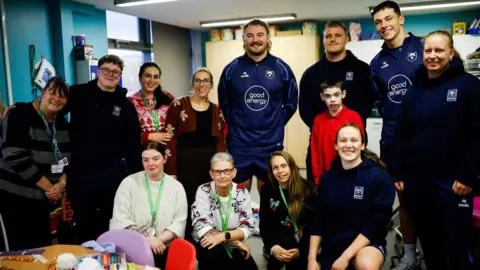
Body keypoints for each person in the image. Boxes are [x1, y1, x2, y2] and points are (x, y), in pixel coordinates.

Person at [392, 30, 480, 270]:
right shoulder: (414, 89)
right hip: (419, 182)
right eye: (428, 50)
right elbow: (402, 133)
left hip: (453, 183)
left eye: (439, 50)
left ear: (451, 53)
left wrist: (467, 176)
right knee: (430, 245)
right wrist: (398, 172)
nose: (432, 55)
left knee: (457, 245)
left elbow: (477, 134)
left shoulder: (469, 86)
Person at [66, 54, 143, 244]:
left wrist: (136, 178)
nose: (110, 74)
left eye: (115, 72)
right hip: (80, 172)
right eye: (106, 70)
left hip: (111, 174)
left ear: (120, 75)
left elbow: (133, 144)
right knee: (84, 221)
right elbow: (52, 108)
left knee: (110, 221)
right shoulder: (77, 93)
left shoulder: (125, 105)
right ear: (98, 71)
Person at [370, 2, 425, 268]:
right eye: (378, 22)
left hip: (428, 139)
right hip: (394, 142)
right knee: (404, 201)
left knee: (434, 198)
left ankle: (440, 253)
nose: (384, 25)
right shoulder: (377, 63)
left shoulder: (424, 47)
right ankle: (411, 257)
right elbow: (381, 102)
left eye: (388, 18)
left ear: (401, 19)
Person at [218, 18, 298, 193]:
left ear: (268, 37)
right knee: (239, 198)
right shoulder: (231, 69)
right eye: (250, 36)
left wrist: (275, 123)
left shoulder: (281, 68)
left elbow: (291, 103)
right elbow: (224, 104)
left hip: (270, 144)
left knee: (269, 195)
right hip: (239, 145)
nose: (255, 39)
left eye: (260, 35)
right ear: (244, 40)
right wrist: (238, 126)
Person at [308, 124, 395, 270]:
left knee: (365, 264)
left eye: (354, 140)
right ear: (336, 145)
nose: (348, 145)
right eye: (343, 141)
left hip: (366, 245)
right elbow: (318, 219)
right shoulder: (327, 179)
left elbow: (375, 224)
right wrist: (312, 258)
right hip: (333, 247)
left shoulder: (378, 178)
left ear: (363, 145)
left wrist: (345, 257)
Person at [300, 20, 375, 183]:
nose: (333, 39)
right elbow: (304, 107)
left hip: (352, 142)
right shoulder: (311, 74)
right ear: (323, 40)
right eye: (328, 36)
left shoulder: (361, 70)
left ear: (346, 38)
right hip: (321, 141)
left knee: (354, 188)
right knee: (318, 192)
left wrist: (347, 127)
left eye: (338, 35)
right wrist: (323, 125)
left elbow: (368, 102)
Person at [0, 77, 71, 250]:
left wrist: (61, 184)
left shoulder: (60, 121)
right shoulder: (19, 113)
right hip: (16, 198)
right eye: (52, 92)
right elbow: (14, 155)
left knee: (41, 248)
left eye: (62, 96)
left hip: (43, 200)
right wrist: (49, 187)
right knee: (19, 250)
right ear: (42, 93)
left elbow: (68, 158)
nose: (56, 98)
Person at [164, 67, 226, 239]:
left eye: (206, 80)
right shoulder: (178, 104)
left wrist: (220, 168)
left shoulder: (216, 110)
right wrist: (171, 171)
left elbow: (220, 141)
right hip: (185, 163)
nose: (201, 84)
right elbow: (170, 139)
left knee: (206, 201)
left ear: (211, 85)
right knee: (186, 201)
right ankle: (185, 242)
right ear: (193, 83)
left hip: (208, 164)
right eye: (197, 80)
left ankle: (206, 237)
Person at [110, 142, 187, 269]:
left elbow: (179, 223)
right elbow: (121, 219)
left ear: (165, 159)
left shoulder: (176, 187)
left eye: (155, 159)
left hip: (164, 246)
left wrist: (158, 240)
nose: (150, 164)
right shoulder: (129, 183)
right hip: (133, 246)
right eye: (145, 160)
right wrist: (147, 239)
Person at [191, 152, 258, 270]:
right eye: (217, 172)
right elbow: (202, 223)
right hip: (208, 241)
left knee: (249, 265)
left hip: (231, 240)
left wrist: (225, 238)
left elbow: (247, 226)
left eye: (227, 171)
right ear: (211, 174)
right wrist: (233, 241)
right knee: (215, 256)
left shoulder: (242, 192)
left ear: (234, 172)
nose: (222, 176)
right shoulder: (204, 190)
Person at [260, 151, 315, 270]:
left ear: (292, 167)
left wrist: (301, 250)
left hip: (301, 246)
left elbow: (313, 225)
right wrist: (273, 248)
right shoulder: (267, 190)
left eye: (284, 166)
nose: (280, 171)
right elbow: (265, 224)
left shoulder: (308, 189)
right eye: (275, 167)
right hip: (278, 247)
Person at [310, 81, 364, 185]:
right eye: (328, 96)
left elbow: (360, 147)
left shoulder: (354, 117)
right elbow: (314, 150)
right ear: (322, 97)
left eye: (336, 95)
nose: (332, 100)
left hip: (350, 174)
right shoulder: (318, 120)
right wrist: (317, 177)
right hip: (326, 175)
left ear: (343, 94)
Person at [128, 62, 175, 145]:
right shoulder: (130, 101)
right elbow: (126, 133)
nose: (152, 80)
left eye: (156, 77)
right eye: (148, 76)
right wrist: (149, 136)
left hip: (167, 150)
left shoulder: (169, 97)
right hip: (144, 153)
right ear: (140, 78)